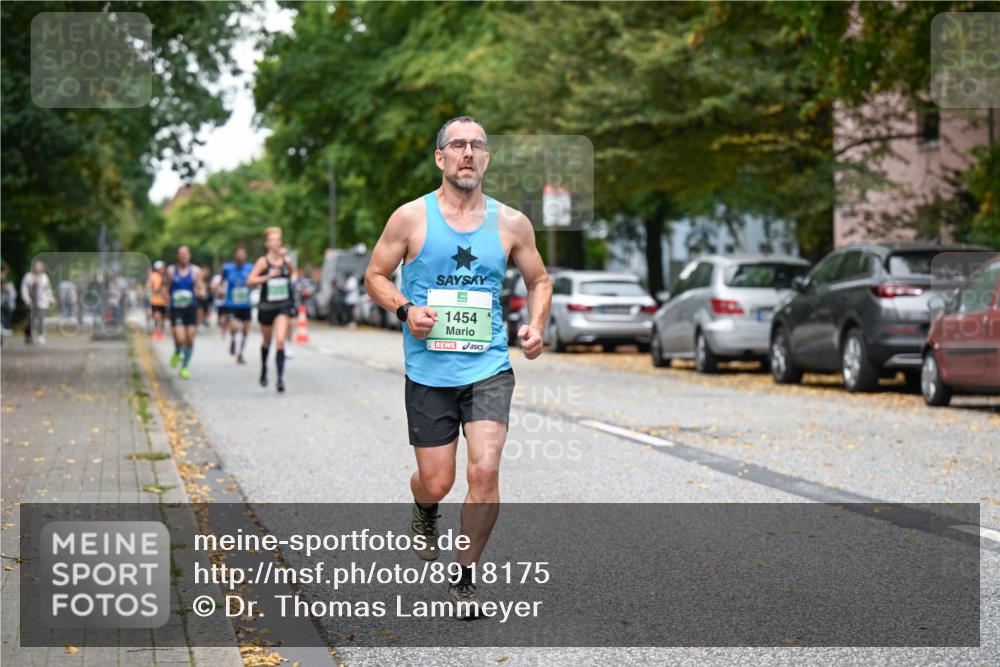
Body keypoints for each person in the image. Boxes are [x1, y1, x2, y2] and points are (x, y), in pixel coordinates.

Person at [365, 115, 551, 617]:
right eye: (457, 145)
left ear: (486, 158)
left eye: (476, 145)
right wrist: (405, 310)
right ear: (440, 157)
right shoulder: (410, 218)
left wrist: (535, 325)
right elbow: (375, 276)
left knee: (485, 471)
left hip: (488, 365)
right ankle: (425, 508)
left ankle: (465, 575)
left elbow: (540, 280)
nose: (467, 153)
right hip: (429, 372)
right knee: (438, 480)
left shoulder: (511, 223)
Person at [247, 228, 295, 392]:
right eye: (273, 240)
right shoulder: (263, 261)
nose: (276, 242)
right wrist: (267, 276)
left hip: (283, 305)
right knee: (267, 341)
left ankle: (280, 379)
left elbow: (293, 275)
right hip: (267, 306)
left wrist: (289, 265)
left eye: (278, 239)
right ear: (267, 243)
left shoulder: (285, 259)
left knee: (280, 340)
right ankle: (264, 369)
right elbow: (250, 280)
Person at [166, 245, 201, 379]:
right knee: (180, 339)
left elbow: (200, 287)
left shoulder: (195, 271)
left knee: (190, 339)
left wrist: (201, 292)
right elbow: (165, 288)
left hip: (191, 308)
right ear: (177, 256)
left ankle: (185, 367)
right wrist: (167, 298)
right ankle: (177, 350)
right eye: (181, 254)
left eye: (185, 254)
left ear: (189, 255)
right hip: (176, 309)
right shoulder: (171, 271)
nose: (183, 256)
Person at [218, 247, 253, 364]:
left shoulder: (250, 268)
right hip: (232, 303)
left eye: (242, 254)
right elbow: (221, 281)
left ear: (246, 256)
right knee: (234, 327)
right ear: (235, 256)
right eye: (238, 254)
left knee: (246, 330)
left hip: (246, 304)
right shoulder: (227, 268)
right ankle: (233, 339)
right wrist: (219, 290)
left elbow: (254, 281)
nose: (240, 257)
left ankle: (241, 353)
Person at [20, 261, 55, 345]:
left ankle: (41, 335)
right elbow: (23, 289)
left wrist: (51, 298)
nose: (38, 269)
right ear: (33, 268)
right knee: (30, 320)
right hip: (30, 302)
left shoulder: (44, 277)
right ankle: (29, 336)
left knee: (41, 319)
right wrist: (26, 299)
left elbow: (48, 289)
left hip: (42, 302)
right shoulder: (28, 276)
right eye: (36, 267)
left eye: (39, 267)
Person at [148, 261, 169, 341]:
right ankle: (156, 332)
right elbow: (153, 288)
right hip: (155, 301)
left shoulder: (165, 276)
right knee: (157, 318)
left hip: (164, 301)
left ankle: (161, 333)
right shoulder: (153, 276)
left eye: (163, 268)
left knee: (163, 319)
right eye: (160, 268)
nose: (162, 269)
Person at [195, 263, 212, 333]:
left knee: (206, 311)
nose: (204, 273)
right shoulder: (197, 280)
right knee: (199, 311)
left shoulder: (209, 279)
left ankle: (204, 321)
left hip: (207, 299)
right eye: (203, 271)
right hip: (199, 299)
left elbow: (211, 289)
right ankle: (199, 324)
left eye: (206, 272)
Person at [1, 263, 15, 338]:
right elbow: (2, 288)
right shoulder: (2, 277)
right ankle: (4, 329)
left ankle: (4, 329)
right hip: (3, 300)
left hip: (4, 299)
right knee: (4, 315)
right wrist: (6, 288)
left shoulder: (4, 277)